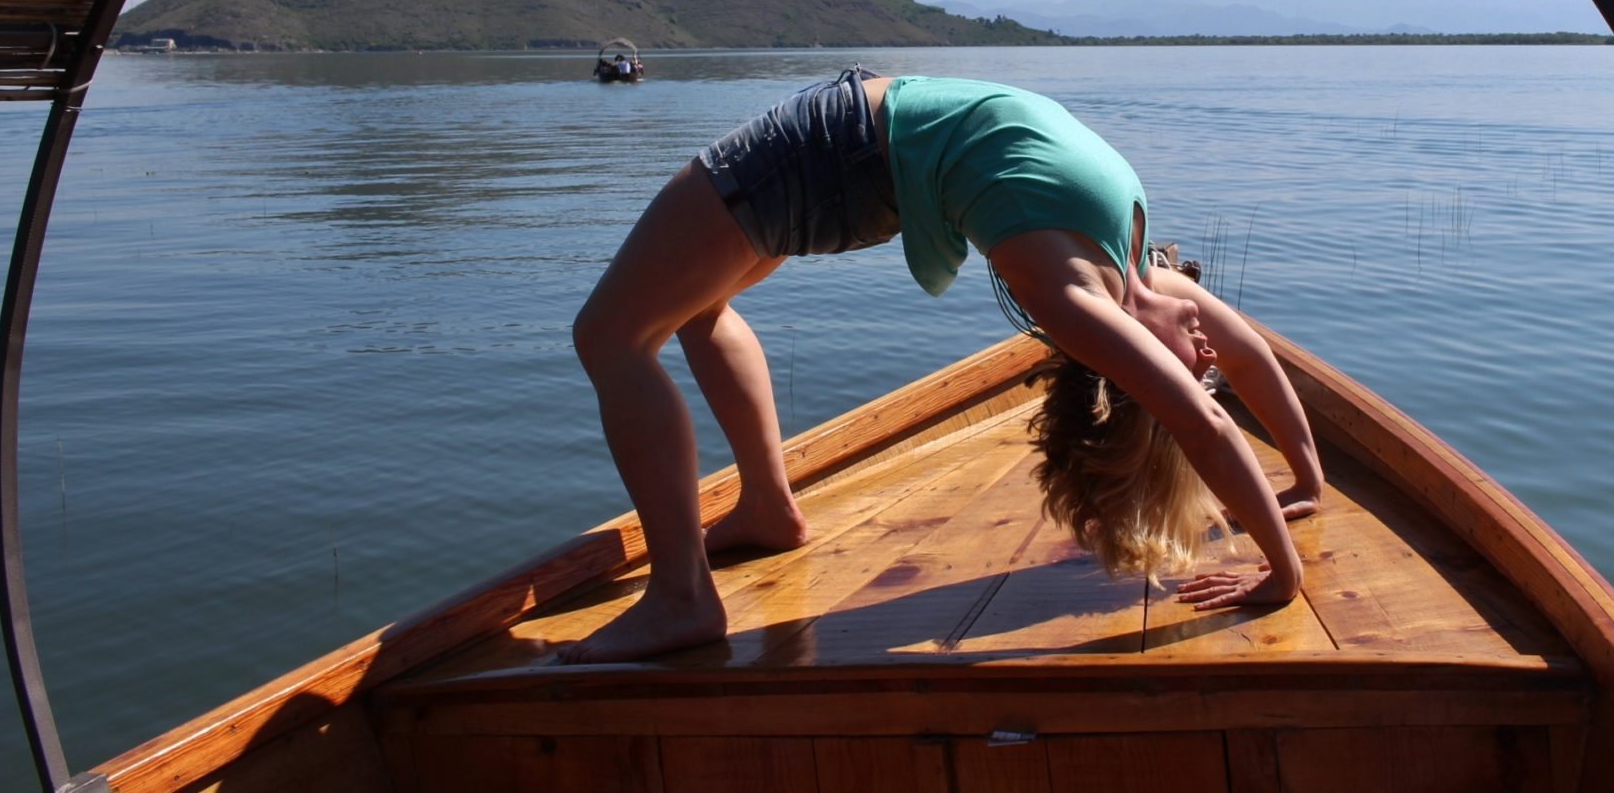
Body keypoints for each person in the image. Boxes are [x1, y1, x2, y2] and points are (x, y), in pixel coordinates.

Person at [565, 68, 1324, 663]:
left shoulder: (1072, 296)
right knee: (700, 307)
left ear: (1136, 373)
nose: (1205, 356)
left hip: (833, 153)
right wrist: (1306, 479)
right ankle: (767, 509)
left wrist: (1282, 575)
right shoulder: (1136, 266)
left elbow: (1206, 422)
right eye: (1206, 360)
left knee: (610, 336)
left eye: (1191, 367)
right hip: (859, 157)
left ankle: (681, 598)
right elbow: (1249, 353)